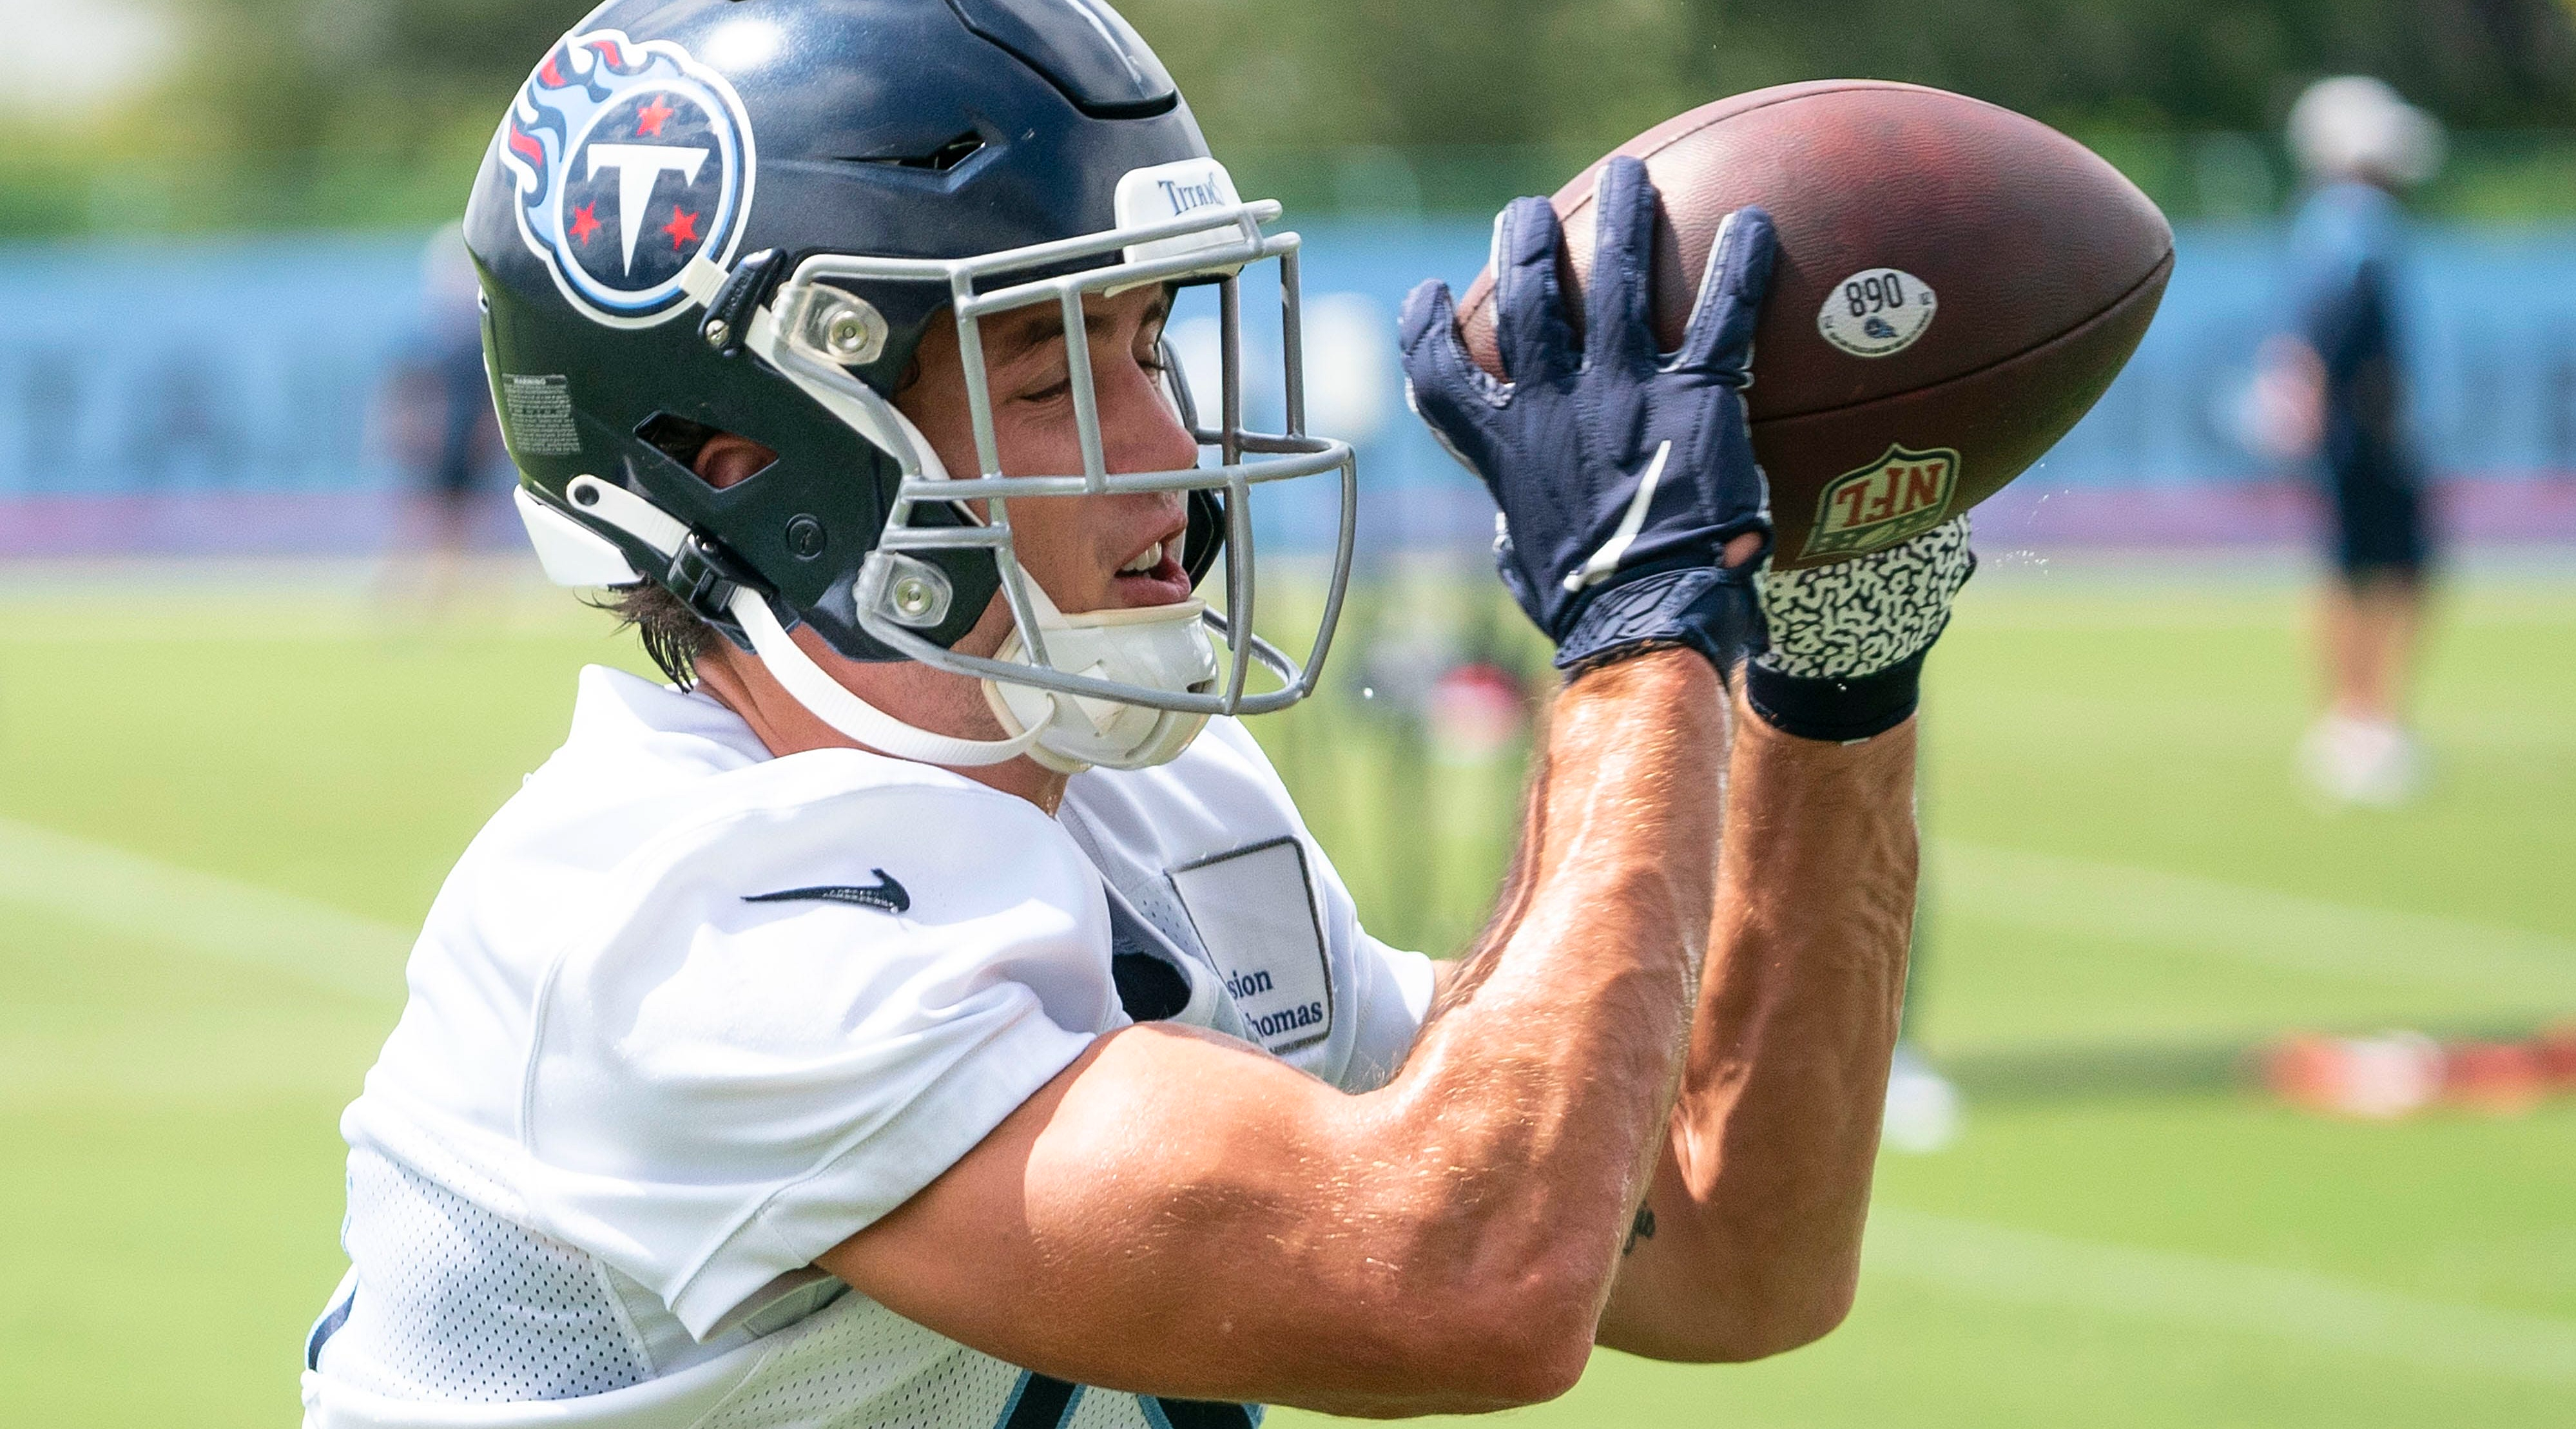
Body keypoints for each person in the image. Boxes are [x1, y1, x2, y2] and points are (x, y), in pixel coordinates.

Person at [300, 3, 1973, 1425]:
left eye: (1146, 338)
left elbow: (1720, 1243)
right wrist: (1632, 627)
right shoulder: (684, 937)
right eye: (1044, 375)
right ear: (764, 474)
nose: (1162, 441)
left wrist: (1832, 677)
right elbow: (1465, 1278)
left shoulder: (1152, 810)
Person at [2252, 76, 2445, 807]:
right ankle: (2362, 718)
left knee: (2357, 567)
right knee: (2380, 570)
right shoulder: (2355, 218)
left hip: (2355, 425)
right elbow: (2331, 316)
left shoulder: (2326, 217)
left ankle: (2355, 719)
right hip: (2364, 429)